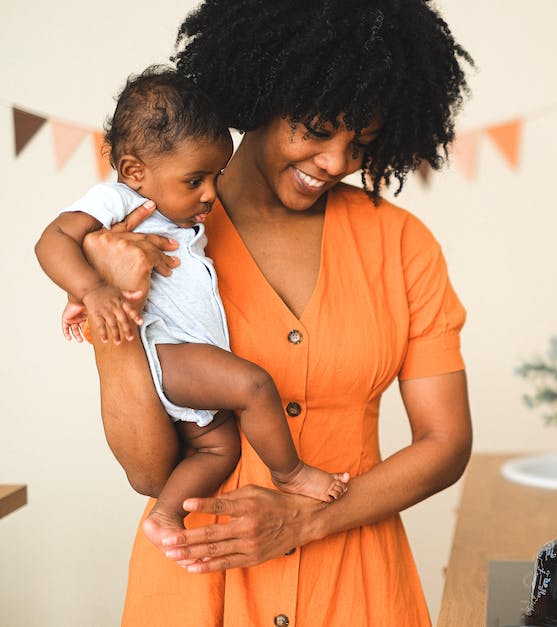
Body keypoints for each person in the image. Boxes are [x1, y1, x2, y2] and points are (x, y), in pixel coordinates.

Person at [78, 1, 474, 625]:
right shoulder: (151, 236)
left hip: (355, 587)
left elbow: (446, 443)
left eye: (360, 143)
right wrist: (117, 307)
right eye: (317, 130)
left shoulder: (402, 244)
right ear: (263, 91)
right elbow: (148, 470)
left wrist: (309, 518)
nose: (338, 163)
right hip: (195, 586)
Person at [35, 66, 350, 551]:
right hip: (169, 352)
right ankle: (290, 472)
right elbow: (53, 240)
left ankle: (165, 516)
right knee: (254, 385)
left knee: (217, 446)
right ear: (136, 170)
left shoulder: (175, 208)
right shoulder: (117, 198)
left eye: (216, 176)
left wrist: (86, 289)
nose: (210, 192)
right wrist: (91, 288)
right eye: (195, 179)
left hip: (185, 355)